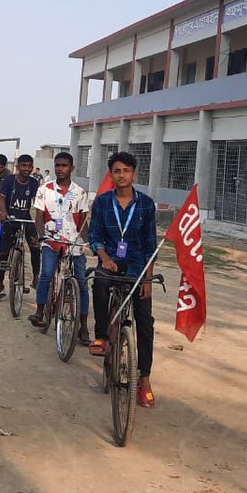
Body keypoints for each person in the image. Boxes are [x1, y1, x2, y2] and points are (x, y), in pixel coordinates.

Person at [88, 151, 158, 406]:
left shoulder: (147, 204)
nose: (121, 175)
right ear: (111, 174)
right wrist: (105, 257)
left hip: (138, 266)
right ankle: (102, 338)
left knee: (145, 323)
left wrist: (148, 281)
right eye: (116, 171)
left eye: (126, 170)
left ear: (134, 174)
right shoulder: (103, 202)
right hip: (111, 262)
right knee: (100, 280)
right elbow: (94, 236)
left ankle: (145, 380)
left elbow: (151, 246)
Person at [29, 151, 90, 335]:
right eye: (58, 165)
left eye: (64, 165)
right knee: (46, 273)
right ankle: (40, 311)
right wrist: (41, 236)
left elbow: (83, 222)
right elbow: (39, 216)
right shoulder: (44, 189)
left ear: (71, 168)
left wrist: (88, 242)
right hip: (51, 240)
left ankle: (83, 327)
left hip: (73, 242)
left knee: (82, 282)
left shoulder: (80, 192)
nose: (60, 169)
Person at [0, 154, 41, 306]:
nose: (27, 169)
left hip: (25, 218)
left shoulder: (34, 183)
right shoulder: (9, 180)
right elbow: (2, 198)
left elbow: (38, 203)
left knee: (36, 246)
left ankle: (36, 277)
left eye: (30, 166)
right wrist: (3, 212)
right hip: (10, 219)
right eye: (24, 166)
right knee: (3, 253)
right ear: (18, 166)